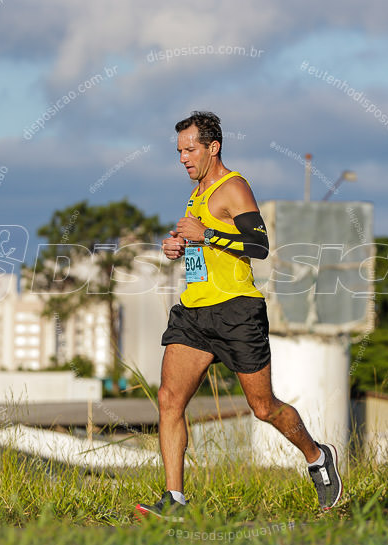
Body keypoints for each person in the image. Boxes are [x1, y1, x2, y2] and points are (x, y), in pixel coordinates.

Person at [135, 111, 342, 520]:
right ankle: (175, 501)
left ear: (213, 148)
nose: (183, 158)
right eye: (178, 151)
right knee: (168, 400)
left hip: (236, 312)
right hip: (194, 311)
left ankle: (318, 456)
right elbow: (205, 247)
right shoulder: (196, 194)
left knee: (263, 407)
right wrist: (180, 247)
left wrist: (205, 234)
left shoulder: (234, 188)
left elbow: (259, 246)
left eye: (190, 149)